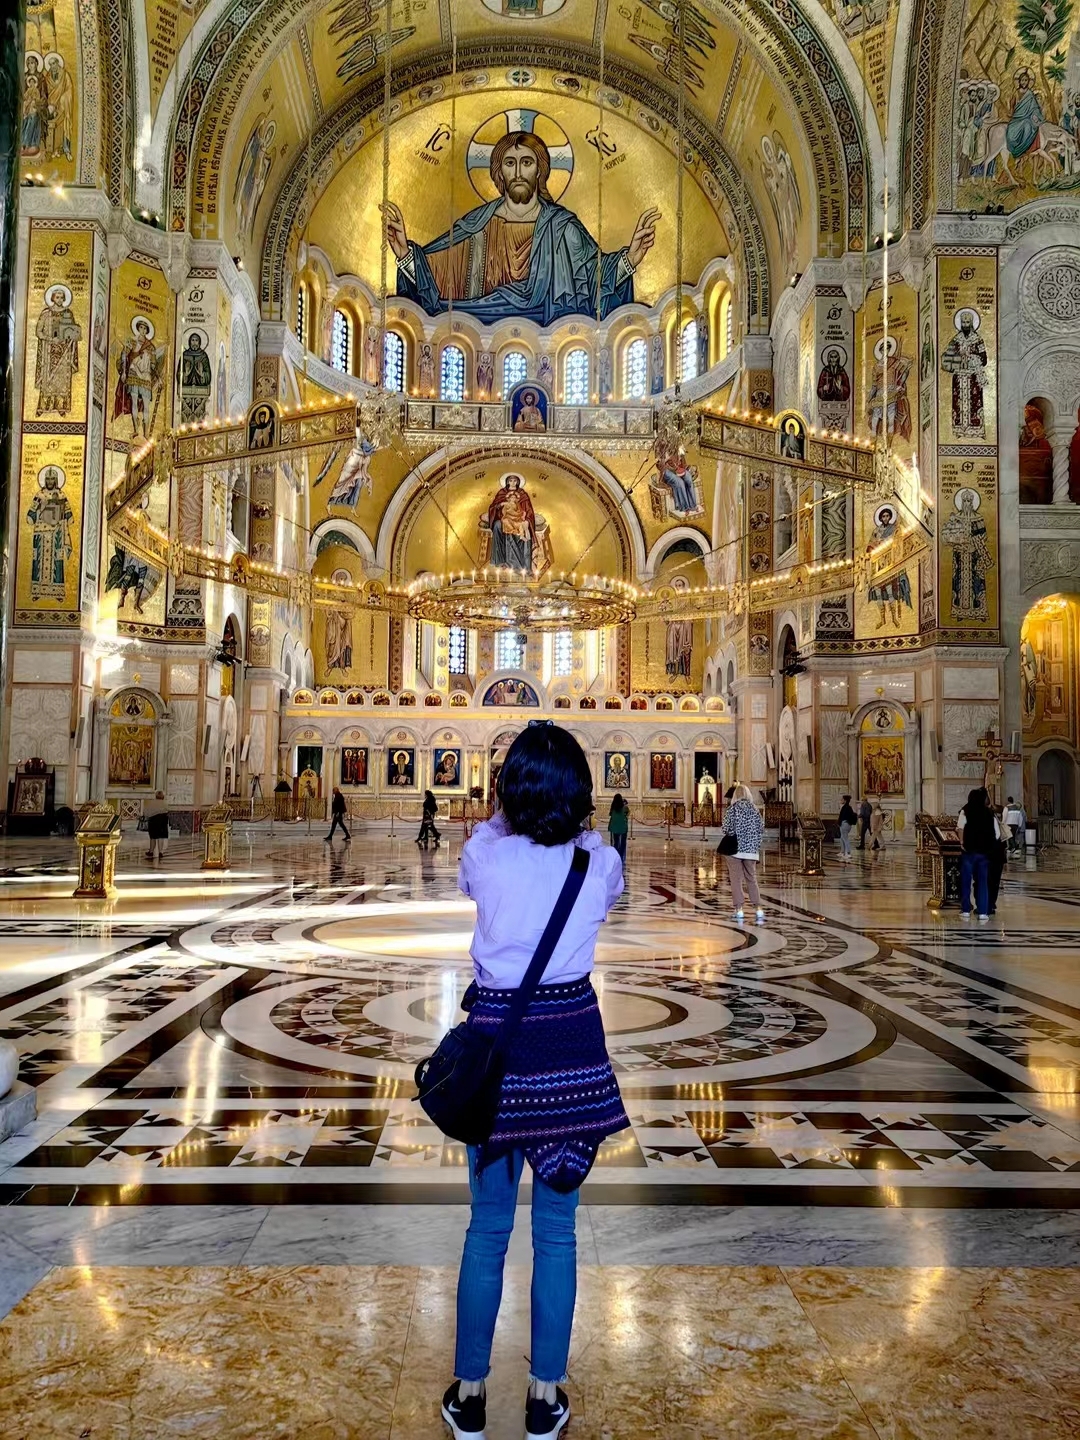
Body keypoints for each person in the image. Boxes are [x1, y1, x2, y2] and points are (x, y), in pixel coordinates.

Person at [441, 722, 626, 1440]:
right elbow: (602, 890)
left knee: (487, 1230)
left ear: (505, 792)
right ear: (580, 795)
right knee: (557, 1234)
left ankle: (472, 1391)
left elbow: (473, 866)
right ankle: (546, 1396)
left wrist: (505, 811)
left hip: (497, 1052)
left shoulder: (485, 854)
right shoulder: (598, 862)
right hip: (571, 1055)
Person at [718, 783, 765, 922]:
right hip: (751, 850)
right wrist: (754, 843)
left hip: (735, 850)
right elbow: (761, 829)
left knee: (736, 879)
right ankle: (758, 908)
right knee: (752, 878)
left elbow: (726, 828)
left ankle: (739, 909)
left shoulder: (732, 809)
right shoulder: (755, 809)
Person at [956, 787, 1002, 921]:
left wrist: (962, 842)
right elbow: (997, 834)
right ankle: (983, 912)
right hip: (983, 853)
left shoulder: (966, 811)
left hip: (969, 852)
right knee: (983, 881)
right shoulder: (989, 813)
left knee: (965, 881)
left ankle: (965, 910)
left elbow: (960, 828)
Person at [144, 792, 169, 860]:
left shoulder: (151, 803)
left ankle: (151, 851)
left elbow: (146, 812)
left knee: (153, 837)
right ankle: (160, 852)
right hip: (162, 821)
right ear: (163, 796)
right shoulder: (165, 803)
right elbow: (168, 810)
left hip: (153, 820)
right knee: (161, 837)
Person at [607, 793, 628, 863]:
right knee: (623, 843)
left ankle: (615, 856)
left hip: (615, 827)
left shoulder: (613, 807)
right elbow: (628, 813)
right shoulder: (624, 808)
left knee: (616, 842)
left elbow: (610, 814)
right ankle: (621, 856)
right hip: (623, 827)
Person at [838, 795, 856, 860]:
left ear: (845, 800)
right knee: (842, 837)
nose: (841, 800)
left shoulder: (844, 808)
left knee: (845, 838)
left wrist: (839, 823)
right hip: (848, 824)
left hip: (844, 824)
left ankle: (848, 853)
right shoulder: (849, 808)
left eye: (842, 799)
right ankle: (843, 852)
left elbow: (841, 817)